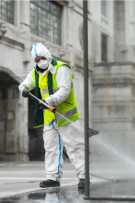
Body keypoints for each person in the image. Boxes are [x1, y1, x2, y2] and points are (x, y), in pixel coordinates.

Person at [18, 43, 85, 189]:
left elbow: (64, 91)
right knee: (51, 148)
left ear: (47, 55)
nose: (40, 62)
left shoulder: (61, 68)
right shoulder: (36, 72)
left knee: (75, 147)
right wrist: (24, 88)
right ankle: (52, 178)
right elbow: (25, 84)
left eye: (42, 58)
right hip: (49, 117)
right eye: (36, 60)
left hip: (65, 115)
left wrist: (49, 100)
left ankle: (84, 176)